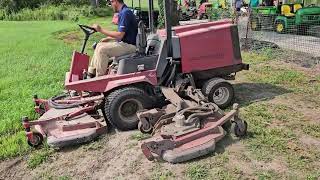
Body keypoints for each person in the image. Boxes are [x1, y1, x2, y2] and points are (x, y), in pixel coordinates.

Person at [88, 0, 138, 77]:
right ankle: (91, 73)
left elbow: (120, 35)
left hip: (130, 46)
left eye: (110, 3)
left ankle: (99, 79)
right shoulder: (123, 12)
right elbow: (124, 33)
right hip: (124, 43)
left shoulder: (126, 13)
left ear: (115, 1)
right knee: (99, 45)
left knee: (102, 50)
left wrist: (101, 30)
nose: (110, 5)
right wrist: (108, 38)